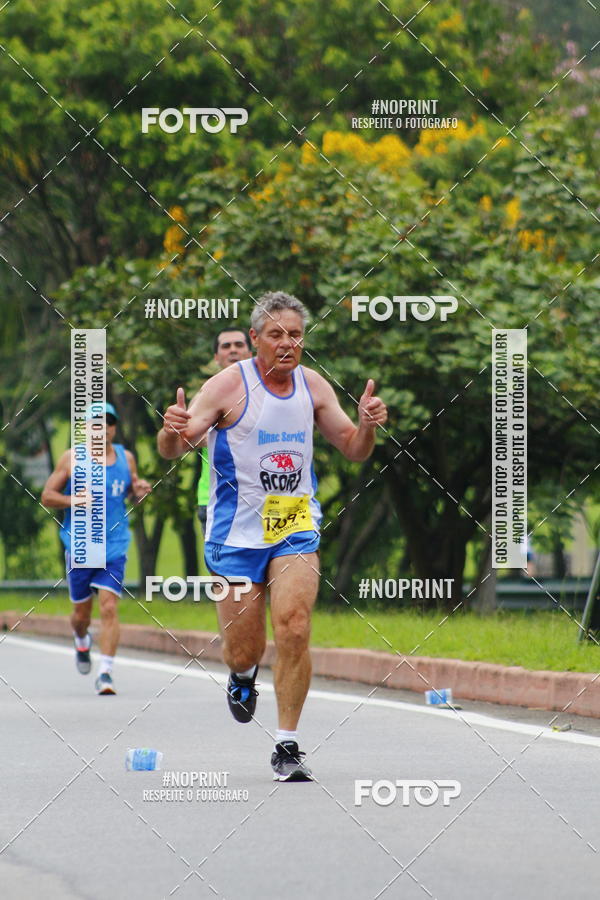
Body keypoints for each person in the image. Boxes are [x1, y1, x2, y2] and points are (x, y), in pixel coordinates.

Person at [158, 291, 387, 781]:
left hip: (292, 524)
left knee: (295, 627)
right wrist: (170, 430)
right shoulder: (225, 386)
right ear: (256, 339)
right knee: (244, 647)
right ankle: (242, 676)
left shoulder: (313, 386)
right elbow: (177, 446)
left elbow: (353, 449)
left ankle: (287, 744)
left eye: (297, 335)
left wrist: (367, 426)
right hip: (234, 534)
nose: (288, 344)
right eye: (277, 334)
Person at [41, 402, 152, 695]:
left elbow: (130, 493)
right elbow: (47, 496)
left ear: (114, 428)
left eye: (108, 423)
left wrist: (139, 491)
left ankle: (106, 673)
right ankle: (81, 639)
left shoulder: (126, 459)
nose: (103, 428)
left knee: (109, 606)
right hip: (80, 545)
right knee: (81, 616)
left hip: (114, 546)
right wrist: (73, 501)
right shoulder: (71, 459)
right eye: (96, 423)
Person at [196, 329, 252, 534]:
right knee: (225, 567)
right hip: (216, 499)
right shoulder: (206, 395)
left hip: (264, 499)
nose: (233, 350)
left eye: (239, 345)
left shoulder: (267, 392)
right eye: (226, 346)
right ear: (216, 358)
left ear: (250, 352)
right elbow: (190, 437)